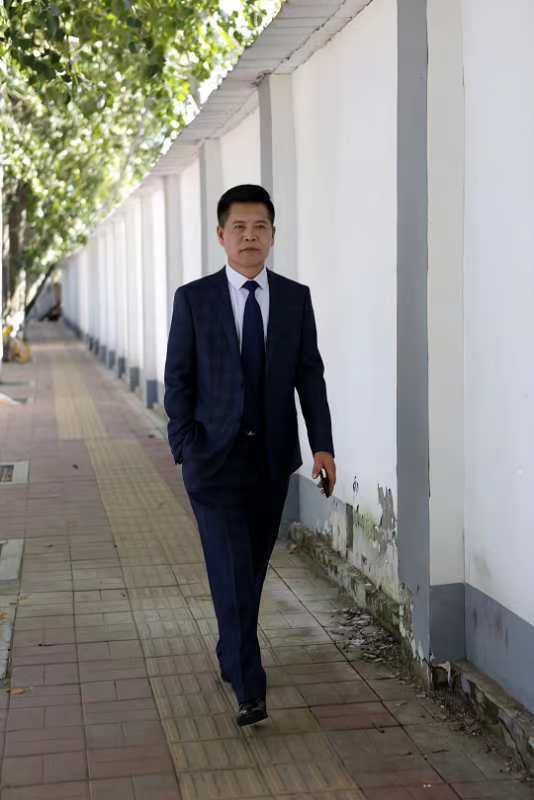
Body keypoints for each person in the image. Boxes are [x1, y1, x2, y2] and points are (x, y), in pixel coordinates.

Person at [164, 184, 335, 727]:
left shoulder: (294, 299)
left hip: (270, 462)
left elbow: (310, 376)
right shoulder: (194, 299)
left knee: (249, 570)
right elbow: (178, 379)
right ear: (221, 235)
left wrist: (322, 445)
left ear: (273, 235)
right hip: (211, 463)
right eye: (238, 227)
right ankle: (249, 687)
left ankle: (230, 649)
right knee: (230, 567)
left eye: (260, 227)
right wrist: (184, 446)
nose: (249, 237)